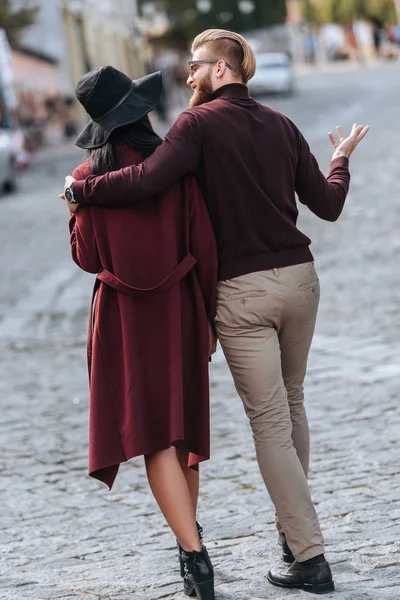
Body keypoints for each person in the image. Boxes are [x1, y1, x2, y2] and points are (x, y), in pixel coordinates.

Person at [62, 30, 369, 595]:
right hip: (283, 285)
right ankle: (290, 536)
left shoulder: (185, 133)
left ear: (221, 69)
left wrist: (83, 193)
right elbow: (322, 206)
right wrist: (341, 160)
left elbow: (123, 212)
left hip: (207, 301)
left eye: (194, 66)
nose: (187, 76)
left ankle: (287, 555)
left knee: (248, 424)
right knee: (281, 409)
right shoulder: (278, 125)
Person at [65, 66, 218, 600]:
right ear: (140, 112)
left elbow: (86, 258)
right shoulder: (173, 166)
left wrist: (73, 209)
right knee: (181, 436)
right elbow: (204, 243)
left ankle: (194, 557)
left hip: (124, 319)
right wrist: (210, 314)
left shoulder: (86, 178)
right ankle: (189, 542)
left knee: (154, 436)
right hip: (179, 305)